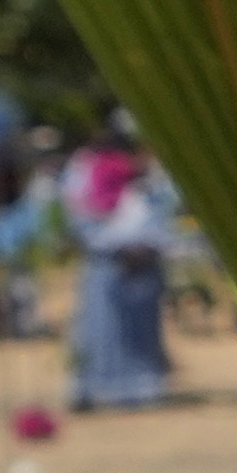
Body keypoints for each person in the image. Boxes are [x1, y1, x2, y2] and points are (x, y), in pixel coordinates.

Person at [66, 123, 187, 407]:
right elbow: (85, 222)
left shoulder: (150, 182)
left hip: (143, 265)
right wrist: (118, 249)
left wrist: (145, 248)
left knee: (140, 331)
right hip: (107, 265)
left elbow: (163, 219)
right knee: (102, 330)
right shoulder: (90, 174)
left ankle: (140, 387)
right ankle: (96, 387)